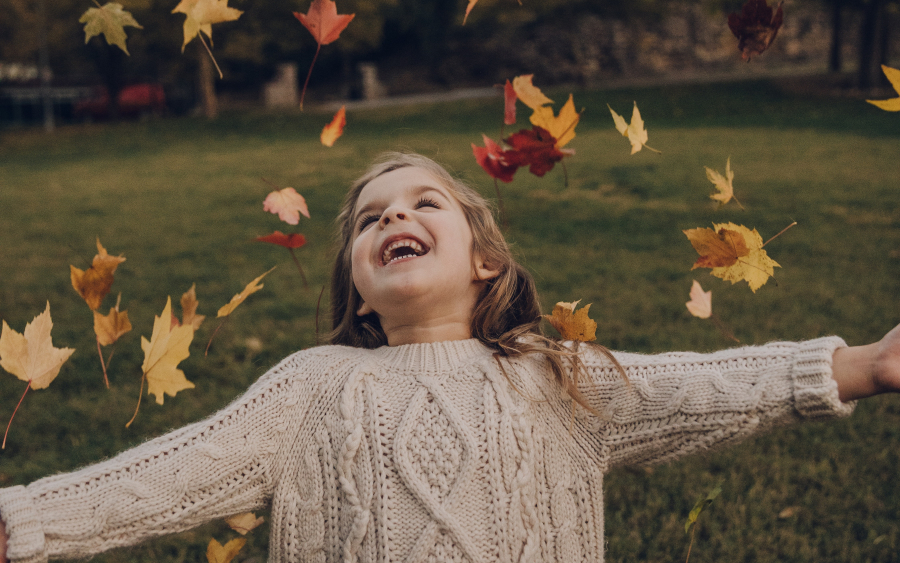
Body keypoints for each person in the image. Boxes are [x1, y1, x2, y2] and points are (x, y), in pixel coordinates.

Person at [0, 152, 896, 563]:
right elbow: (172, 472)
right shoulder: (315, 386)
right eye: (369, 218)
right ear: (354, 281)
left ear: (485, 260)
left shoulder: (551, 376)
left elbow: (697, 387)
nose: (393, 217)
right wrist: (24, 520)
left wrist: (862, 365)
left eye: (423, 202)